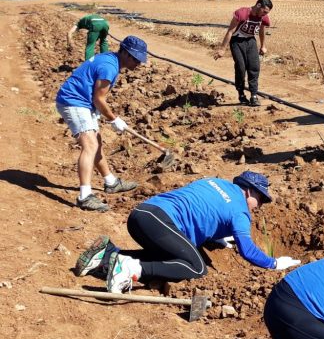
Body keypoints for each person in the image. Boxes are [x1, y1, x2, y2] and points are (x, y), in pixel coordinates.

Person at [73, 171, 302, 293]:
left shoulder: (215, 182)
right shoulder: (240, 211)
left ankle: (106, 257)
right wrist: (273, 264)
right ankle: (131, 268)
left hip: (142, 214)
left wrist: (216, 235)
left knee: (172, 257)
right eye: (260, 199)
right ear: (249, 192)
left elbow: (203, 209)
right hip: (160, 221)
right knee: (197, 267)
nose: (259, 206)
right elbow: (247, 250)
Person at [55, 35, 148, 212]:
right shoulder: (108, 67)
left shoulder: (110, 60)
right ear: (126, 54)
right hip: (73, 102)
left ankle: (111, 182)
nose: (139, 63)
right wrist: (114, 119)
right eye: (136, 59)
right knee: (89, 146)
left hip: (81, 102)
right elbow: (99, 99)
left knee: (96, 143)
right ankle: (84, 196)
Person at [213, 0, 272, 106]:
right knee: (241, 67)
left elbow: (261, 31)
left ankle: (254, 95)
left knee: (254, 67)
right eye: (264, 11)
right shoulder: (242, 13)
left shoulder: (263, 18)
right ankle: (241, 93)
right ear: (258, 5)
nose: (264, 14)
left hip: (250, 41)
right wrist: (222, 49)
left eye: (266, 13)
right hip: (237, 41)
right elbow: (230, 31)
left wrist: (263, 46)